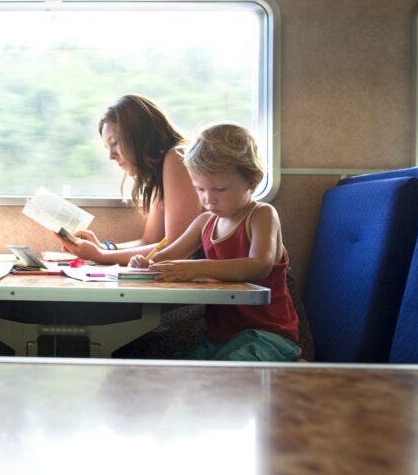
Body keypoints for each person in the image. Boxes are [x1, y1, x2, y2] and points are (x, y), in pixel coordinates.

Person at [130, 124, 300, 361]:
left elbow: (259, 265)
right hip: (220, 338)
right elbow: (169, 253)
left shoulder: (261, 215)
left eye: (219, 189)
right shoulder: (205, 222)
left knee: (223, 378)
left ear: (253, 180)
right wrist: (145, 263)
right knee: (188, 374)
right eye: (200, 189)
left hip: (267, 335)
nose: (208, 199)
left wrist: (195, 267)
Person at [55, 94, 201, 265]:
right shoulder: (159, 172)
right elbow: (149, 241)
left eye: (115, 143)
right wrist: (104, 248)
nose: (111, 156)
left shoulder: (176, 157)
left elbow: (175, 250)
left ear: (139, 135)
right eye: (107, 148)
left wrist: (99, 255)